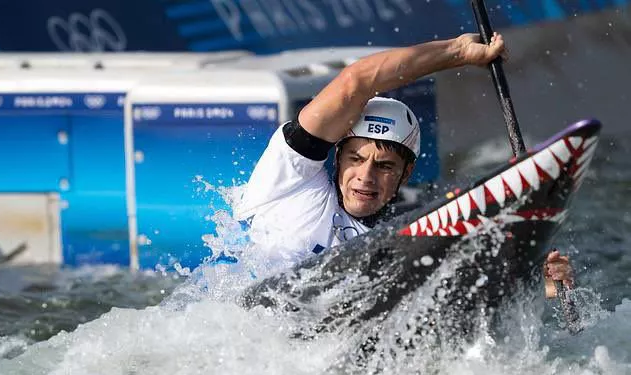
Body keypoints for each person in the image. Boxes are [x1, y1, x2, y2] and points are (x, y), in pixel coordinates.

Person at [233, 32, 574, 290]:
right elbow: (356, 82)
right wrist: (457, 52)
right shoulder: (290, 177)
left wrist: (534, 277)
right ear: (338, 156)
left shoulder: (401, 238)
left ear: (406, 173)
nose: (365, 176)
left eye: (384, 166)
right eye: (356, 158)